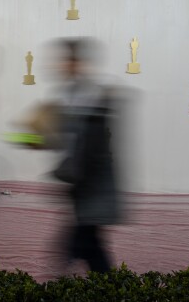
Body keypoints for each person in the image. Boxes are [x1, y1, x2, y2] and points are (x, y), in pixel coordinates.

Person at [51, 38, 122, 273]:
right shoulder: (70, 94)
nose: (63, 65)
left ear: (78, 62)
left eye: (68, 60)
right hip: (83, 187)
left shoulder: (93, 97)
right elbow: (68, 140)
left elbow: (87, 148)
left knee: (79, 244)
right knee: (89, 245)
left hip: (92, 185)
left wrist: (67, 174)